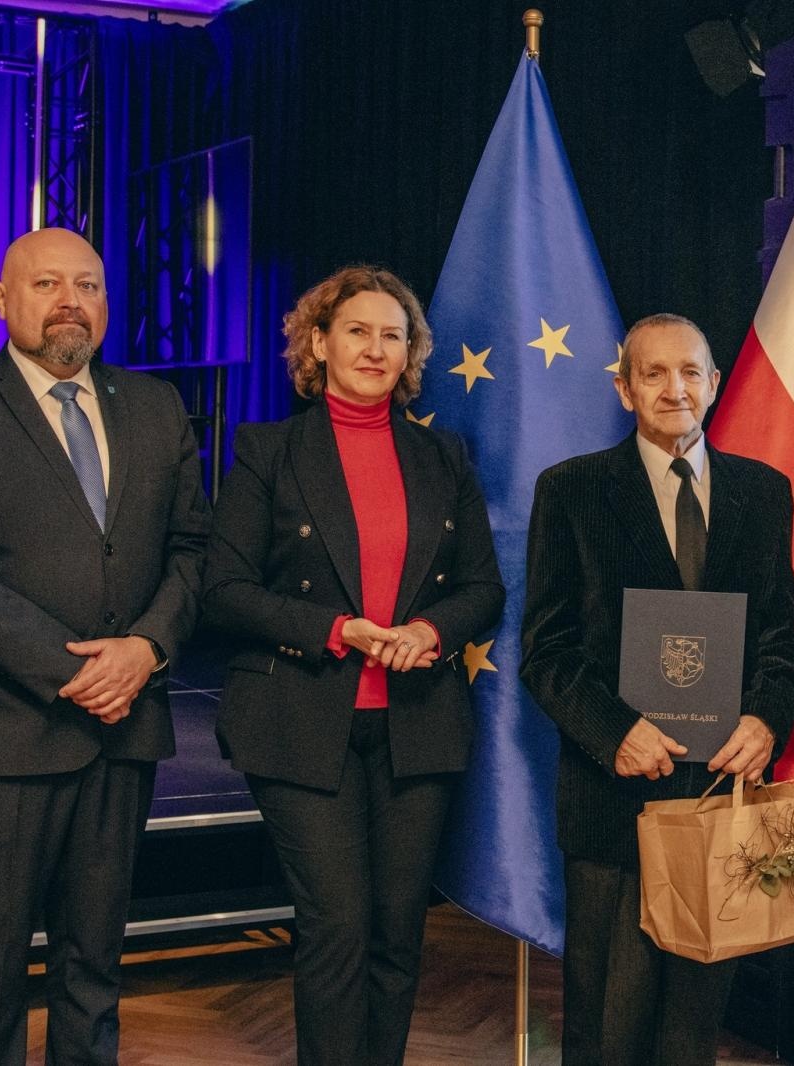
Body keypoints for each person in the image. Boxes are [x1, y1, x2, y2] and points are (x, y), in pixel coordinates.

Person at [0, 227, 210, 1065]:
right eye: (47, 284)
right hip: (5, 739)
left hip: (124, 730)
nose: (70, 300)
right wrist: (75, 669)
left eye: (88, 284)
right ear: (3, 300)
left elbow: (193, 551)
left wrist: (145, 649)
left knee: (94, 966)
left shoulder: (156, 407)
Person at [202, 265, 504, 1065]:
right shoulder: (269, 451)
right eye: (358, 331)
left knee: (398, 930)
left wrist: (431, 633)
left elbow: (483, 589)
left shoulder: (446, 456)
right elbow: (223, 591)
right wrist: (338, 628)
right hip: (301, 723)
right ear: (318, 342)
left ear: (412, 355)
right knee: (336, 926)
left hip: (418, 726)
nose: (376, 349)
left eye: (393, 336)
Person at [520, 313, 794, 1066]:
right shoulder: (572, 490)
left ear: (715, 384)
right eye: (653, 373)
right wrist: (614, 730)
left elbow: (783, 638)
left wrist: (767, 719)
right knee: (607, 1030)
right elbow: (545, 653)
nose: (673, 388)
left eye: (690, 372)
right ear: (624, 389)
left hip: (721, 797)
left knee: (691, 1034)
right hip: (614, 798)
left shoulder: (764, 492)